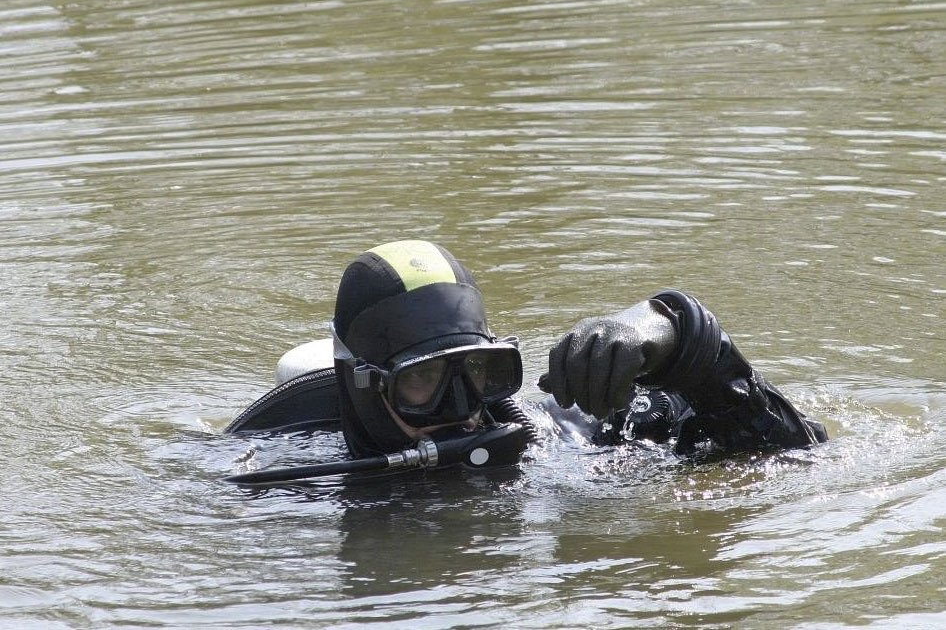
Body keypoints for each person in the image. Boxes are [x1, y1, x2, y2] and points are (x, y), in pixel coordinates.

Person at [225, 239, 827, 474]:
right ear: (362, 385)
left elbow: (792, 452)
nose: (463, 409)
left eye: (479, 373)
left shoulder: (567, 436)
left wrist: (669, 331)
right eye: (424, 380)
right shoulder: (289, 477)